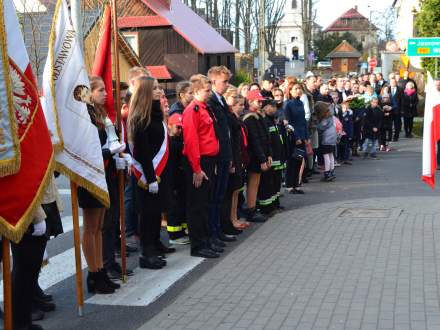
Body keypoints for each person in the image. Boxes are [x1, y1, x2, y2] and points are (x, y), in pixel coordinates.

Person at [77, 76, 121, 294]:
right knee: (91, 226)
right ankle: (93, 274)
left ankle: (100, 271)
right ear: (89, 93)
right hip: (89, 174)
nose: (105, 93)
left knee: (100, 226)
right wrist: (106, 151)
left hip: (103, 173)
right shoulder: (84, 117)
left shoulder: (99, 115)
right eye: (100, 90)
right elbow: (84, 148)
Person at [128, 76, 173, 269]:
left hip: (159, 173)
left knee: (156, 213)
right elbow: (142, 151)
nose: (159, 91)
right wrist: (151, 177)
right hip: (147, 176)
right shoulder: (140, 117)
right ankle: (146, 254)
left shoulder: (156, 113)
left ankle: (155, 245)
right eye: (154, 88)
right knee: (147, 215)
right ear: (145, 92)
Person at [182, 74, 220, 258]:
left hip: (208, 161)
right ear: (196, 91)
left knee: (204, 204)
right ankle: (198, 245)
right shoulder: (193, 110)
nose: (210, 93)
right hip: (199, 162)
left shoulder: (204, 108)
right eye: (207, 90)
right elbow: (191, 141)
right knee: (197, 206)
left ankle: (206, 240)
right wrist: (197, 169)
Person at [207, 66, 236, 244]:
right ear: (213, 81)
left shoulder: (221, 101)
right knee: (215, 197)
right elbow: (216, 132)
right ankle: (213, 232)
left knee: (220, 195)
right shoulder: (211, 101)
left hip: (225, 154)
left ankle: (218, 230)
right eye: (224, 81)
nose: (227, 85)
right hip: (217, 157)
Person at [243, 89, 272, 222]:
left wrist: (269, 155)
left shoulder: (259, 116)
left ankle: (253, 207)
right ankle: (251, 209)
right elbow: (254, 140)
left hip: (261, 155)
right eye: (257, 101)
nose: (260, 104)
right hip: (254, 156)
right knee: (253, 183)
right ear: (249, 102)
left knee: (256, 182)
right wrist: (262, 158)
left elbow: (266, 137)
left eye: (261, 101)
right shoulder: (250, 118)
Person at [224, 88, 250, 230]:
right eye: (238, 104)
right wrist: (234, 161)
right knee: (232, 192)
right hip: (234, 159)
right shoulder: (230, 118)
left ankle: (234, 218)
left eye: (242, 104)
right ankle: (231, 219)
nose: (241, 107)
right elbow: (231, 142)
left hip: (239, 158)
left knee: (236, 191)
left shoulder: (236, 119)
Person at [166, 113, 190, 245]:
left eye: (181, 128)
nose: (180, 130)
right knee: (174, 207)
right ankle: (174, 235)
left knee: (181, 205)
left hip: (180, 179)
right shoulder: (170, 143)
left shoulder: (178, 140)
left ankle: (181, 231)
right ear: (169, 126)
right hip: (172, 180)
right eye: (177, 127)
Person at [284, 83, 308, 194]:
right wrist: (296, 136)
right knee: (292, 162)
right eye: (296, 89)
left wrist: (306, 136)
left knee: (299, 160)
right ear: (290, 91)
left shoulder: (301, 103)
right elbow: (288, 123)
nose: (298, 90)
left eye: (300, 88)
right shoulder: (287, 104)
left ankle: (296, 184)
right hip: (293, 136)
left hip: (302, 135)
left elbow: (303, 121)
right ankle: (289, 185)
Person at [262, 100, 285, 211]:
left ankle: (275, 203)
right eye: (272, 106)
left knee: (276, 182)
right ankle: (267, 207)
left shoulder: (272, 121)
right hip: (272, 158)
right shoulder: (265, 121)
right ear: (265, 107)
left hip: (277, 157)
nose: (275, 109)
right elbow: (268, 141)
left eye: (275, 107)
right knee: (269, 183)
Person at [316, 101, 337, 181]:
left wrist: (316, 125)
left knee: (326, 155)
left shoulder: (325, 117)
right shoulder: (331, 114)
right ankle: (332, 171)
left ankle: (327, 173)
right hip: (333, 136)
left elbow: (322, 127)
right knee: (331, 154)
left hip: (327, 137)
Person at [379, 86, 393, 151]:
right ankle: (382, 145)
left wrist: (390, 111)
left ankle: (387, 145)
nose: (385, 98)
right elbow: (378, 112)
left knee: (389, 133)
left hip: (389, 120)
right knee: (382, 133)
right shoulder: (380, 104)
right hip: (382, 120)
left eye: (387, 97)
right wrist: (383, 112)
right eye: (384, 97)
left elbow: (393, 112)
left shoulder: (391, 104)